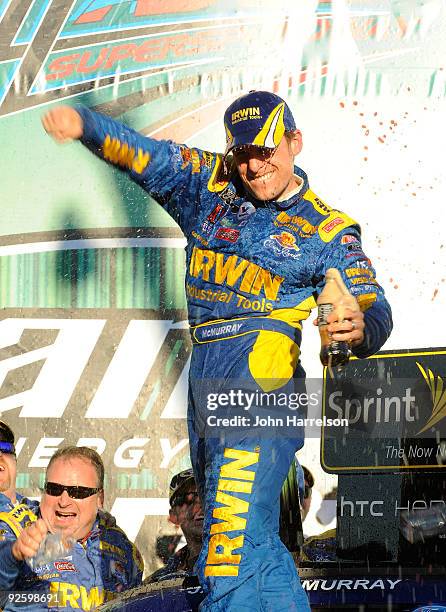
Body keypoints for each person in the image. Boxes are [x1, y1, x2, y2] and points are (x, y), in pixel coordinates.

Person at [42, 90, 392, 611]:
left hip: (261, 396)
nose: (255, 166)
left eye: (267, 151)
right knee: (255, 548)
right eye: (243, 154)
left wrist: (359, 326)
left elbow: (374, 307)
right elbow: (143, 154)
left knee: (226, 553)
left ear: (295, 142)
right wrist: (86, 126)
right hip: (208, 392)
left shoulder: (327, 230)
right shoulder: (207, 187)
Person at [0, 446, 143, 610]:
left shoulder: (121, 547)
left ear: (99, 498)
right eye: (54, 489)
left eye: (78, 492)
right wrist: (13, 554)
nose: (63, 501)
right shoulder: (18, 528)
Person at [148, 468, 203, 583]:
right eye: (189, 499)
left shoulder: (245, 566)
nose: (200, 506)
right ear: (173, 516)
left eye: (206, 496)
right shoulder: (157, 582)